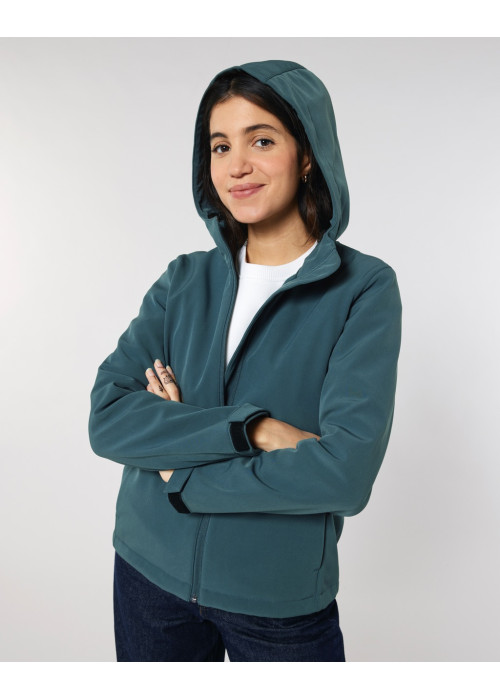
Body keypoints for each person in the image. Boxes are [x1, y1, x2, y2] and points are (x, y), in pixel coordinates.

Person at [89, 59, 402, 662]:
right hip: (147, 574)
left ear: (307, 154)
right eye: (220, 146)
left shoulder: (363, 289)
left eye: (261, 140)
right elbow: (108, 418)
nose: (236, 166)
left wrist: (180, 468)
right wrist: (252, 429)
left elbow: (345, 473)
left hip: (277, 598)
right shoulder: (185, 279)